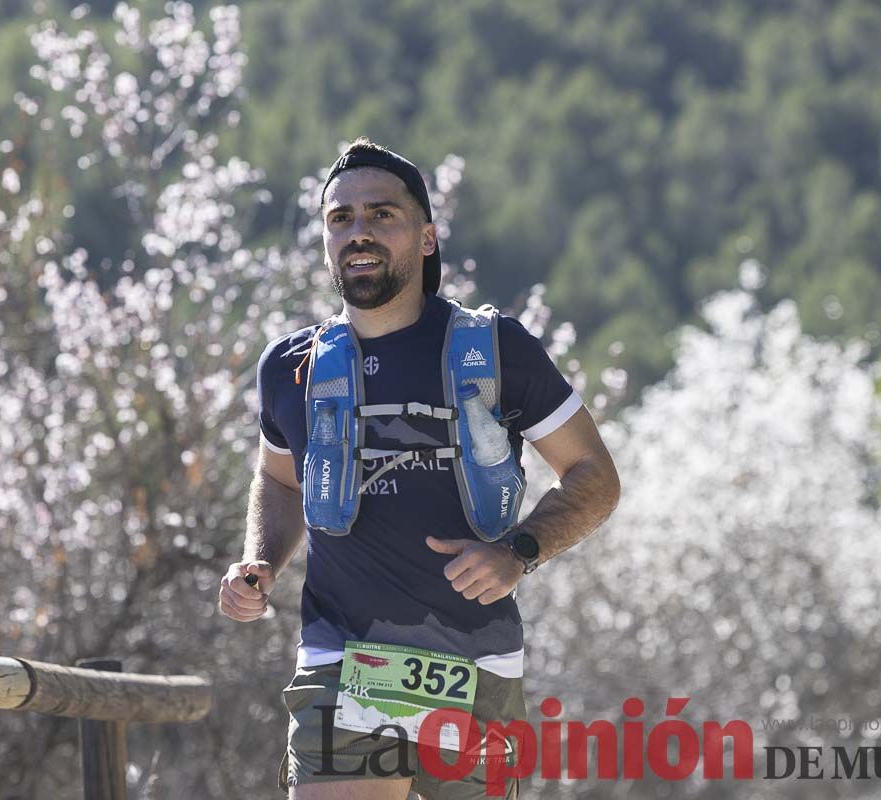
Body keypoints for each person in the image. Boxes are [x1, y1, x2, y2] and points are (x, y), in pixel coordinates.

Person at [219, 138, 622, 800]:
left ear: (427, 237)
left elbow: (595, 477)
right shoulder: (288, 366)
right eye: (340, 218)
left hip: (476, 667)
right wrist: (259, 560)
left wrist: (519, 550)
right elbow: (279, 479)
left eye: (382, 214)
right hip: (344, 663)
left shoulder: (497, 350)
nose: (359, 232)